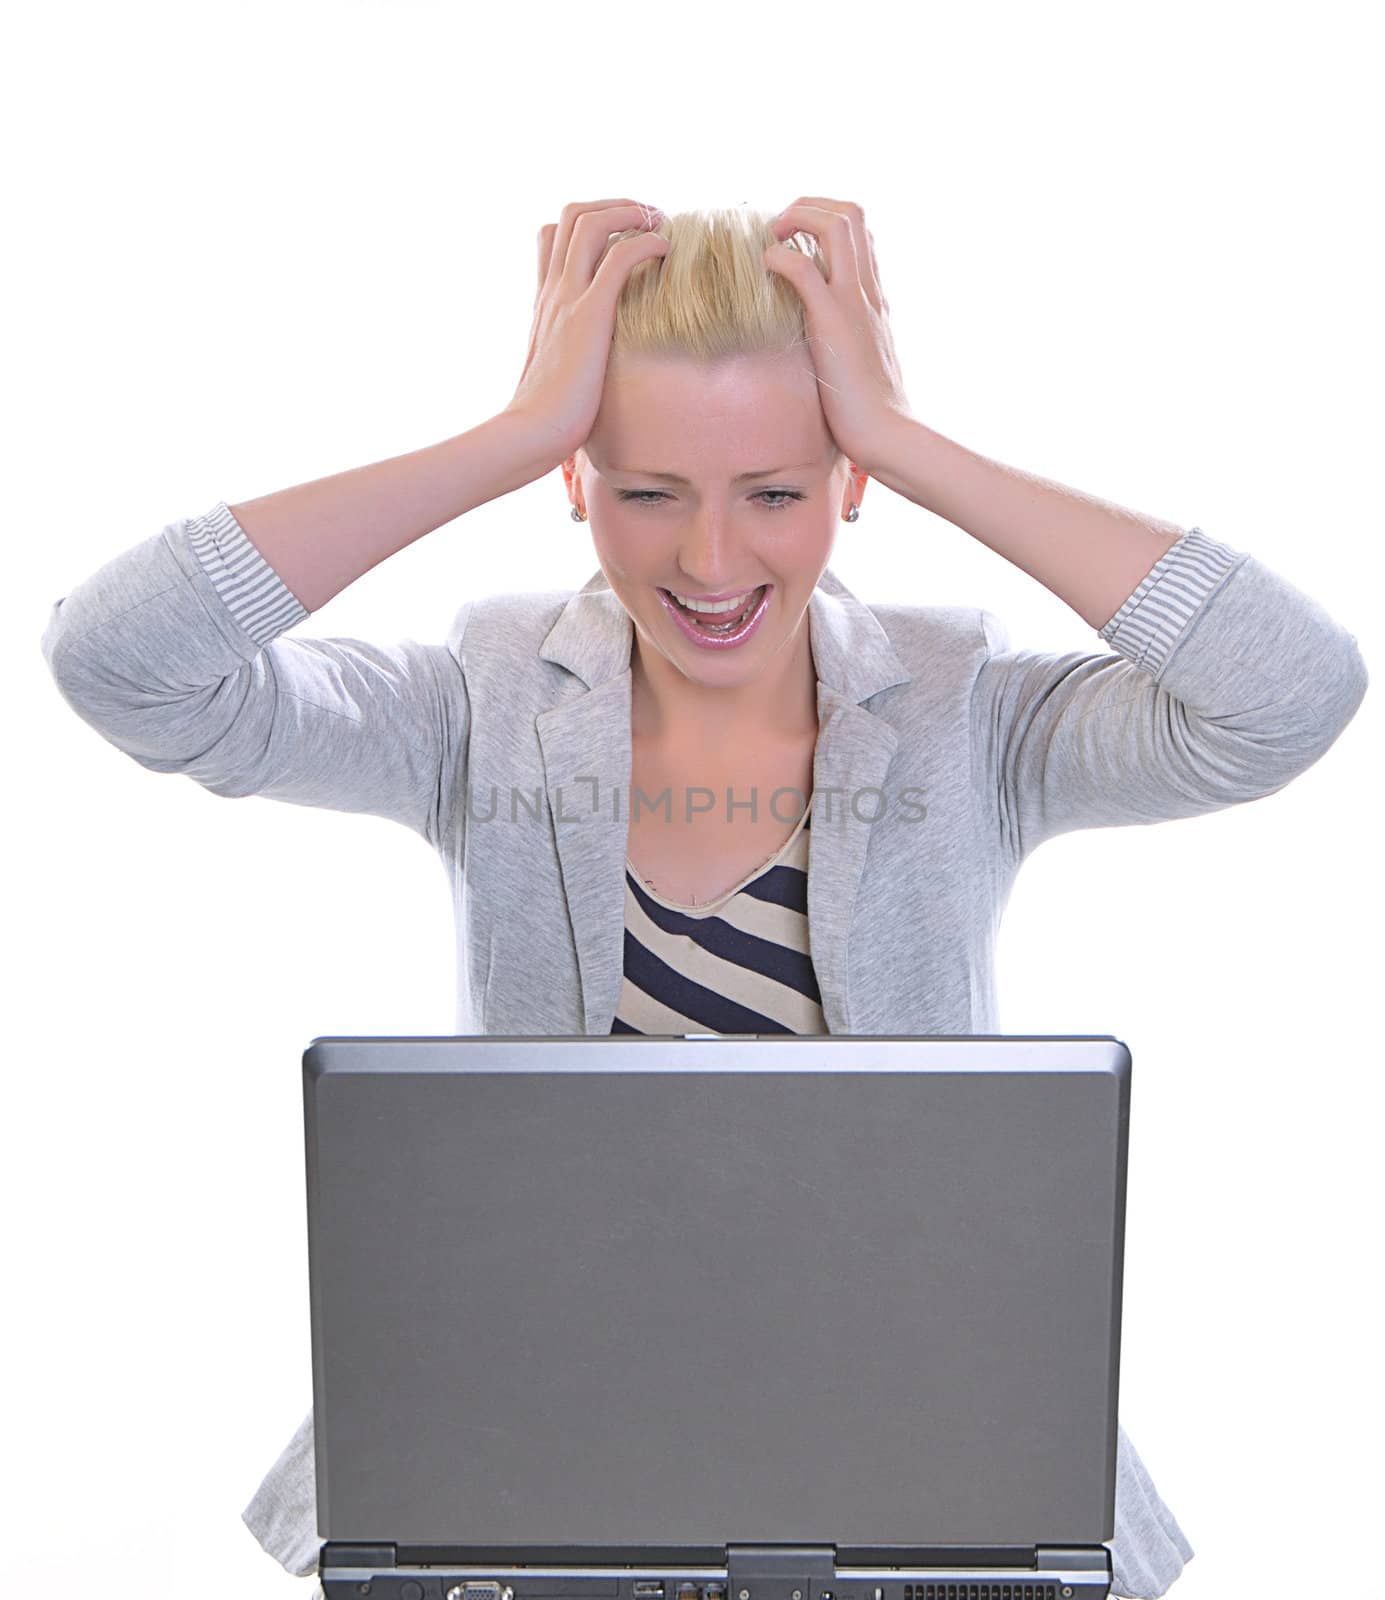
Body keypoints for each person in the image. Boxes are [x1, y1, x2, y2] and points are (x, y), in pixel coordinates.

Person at [39, 198, 1368, 1600]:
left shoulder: (962, 712)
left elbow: (1290, 696)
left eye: (776, 492)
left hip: (919, 1442)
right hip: (535, 1450)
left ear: (847, 484)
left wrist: (905, 438)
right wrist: (508, 434)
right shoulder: (475, 707)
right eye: (649, 490)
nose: (712, 563)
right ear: (580, 482)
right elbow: (120, 662)